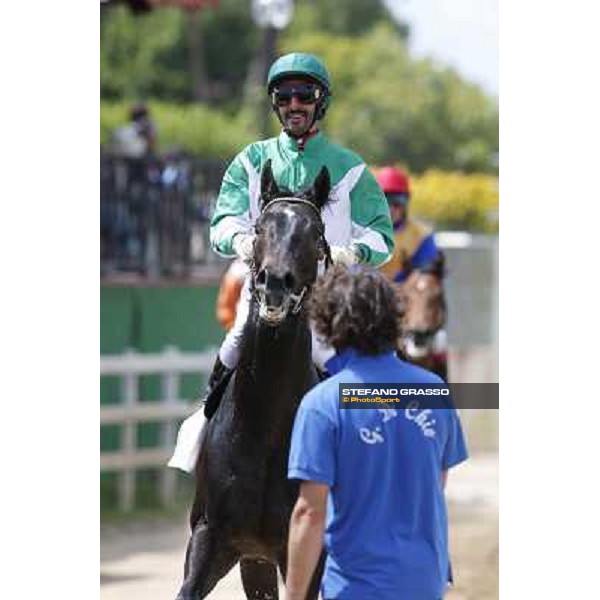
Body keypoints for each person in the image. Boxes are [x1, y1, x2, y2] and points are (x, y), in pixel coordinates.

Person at [167, 52, 394, 473]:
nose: (294, 104)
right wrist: (242, 241)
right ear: (275, 102)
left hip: (326, 304)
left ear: (320, 101)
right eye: (284, 95)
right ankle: (202, 433)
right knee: (234, 344)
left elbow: (383, 237)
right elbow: (222, 224)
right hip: (263, 295)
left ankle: (368, 457)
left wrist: (351, 253)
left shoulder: (350, 170)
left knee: (335, 361)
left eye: (304, 95)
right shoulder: (251, 161)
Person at [285, 265, 468, 600]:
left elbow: (310, 511)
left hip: (357, 587)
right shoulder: (434, 390)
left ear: (327, 323)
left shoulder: (323, 404)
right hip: (426, 582)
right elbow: (434, 484)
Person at [376, 166, 439, 283]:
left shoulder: (423, 235)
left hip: (406, 295)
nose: (390, 209)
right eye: (385, 201)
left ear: (406, 202)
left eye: (397, 202)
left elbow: (427, 275)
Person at [215, 258, 249, 331]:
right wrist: (234, 327)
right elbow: (226, 308)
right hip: (243, 328)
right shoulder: (238, 271)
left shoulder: (275, 265)